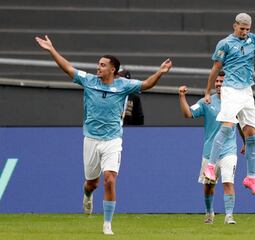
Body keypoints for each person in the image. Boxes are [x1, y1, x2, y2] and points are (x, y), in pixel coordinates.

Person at [35, 35, 172, 235]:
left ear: (112, 69)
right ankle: (87, 195)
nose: (98, 68)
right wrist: (51, 50)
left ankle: (107, 224)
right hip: (91, 139)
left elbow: (147, 85)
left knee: (109, 179)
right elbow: (67, 68)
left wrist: (160, 72)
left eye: (102, 65)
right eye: (98, 64)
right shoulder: (89, 81)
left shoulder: (124, 86)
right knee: (92, 183)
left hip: (113, 140)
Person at [203, 13, 255, 197]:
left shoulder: (253, 39)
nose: (244, 32)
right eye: (242, 28)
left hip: (246, 90)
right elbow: (216, 68)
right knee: (228, 127)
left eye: (247, 29)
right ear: (234, 26)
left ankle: (251, 178)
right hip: (230, 89)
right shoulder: (225, 43)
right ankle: (210, 166)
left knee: (251, 134)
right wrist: (207, 91)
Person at [178, 71, 244, 224]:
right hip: (209, 153)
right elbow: (188, 114)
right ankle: (209, 213)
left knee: (228, 182)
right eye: (217, 81)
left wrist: (246, 142)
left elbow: (241, 124)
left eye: (222, 81)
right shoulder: (207, 101)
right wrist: (182, 96)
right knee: (209, 186)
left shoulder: (236, 103)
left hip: (229, 151)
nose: (219, 84)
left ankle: (229, 216)